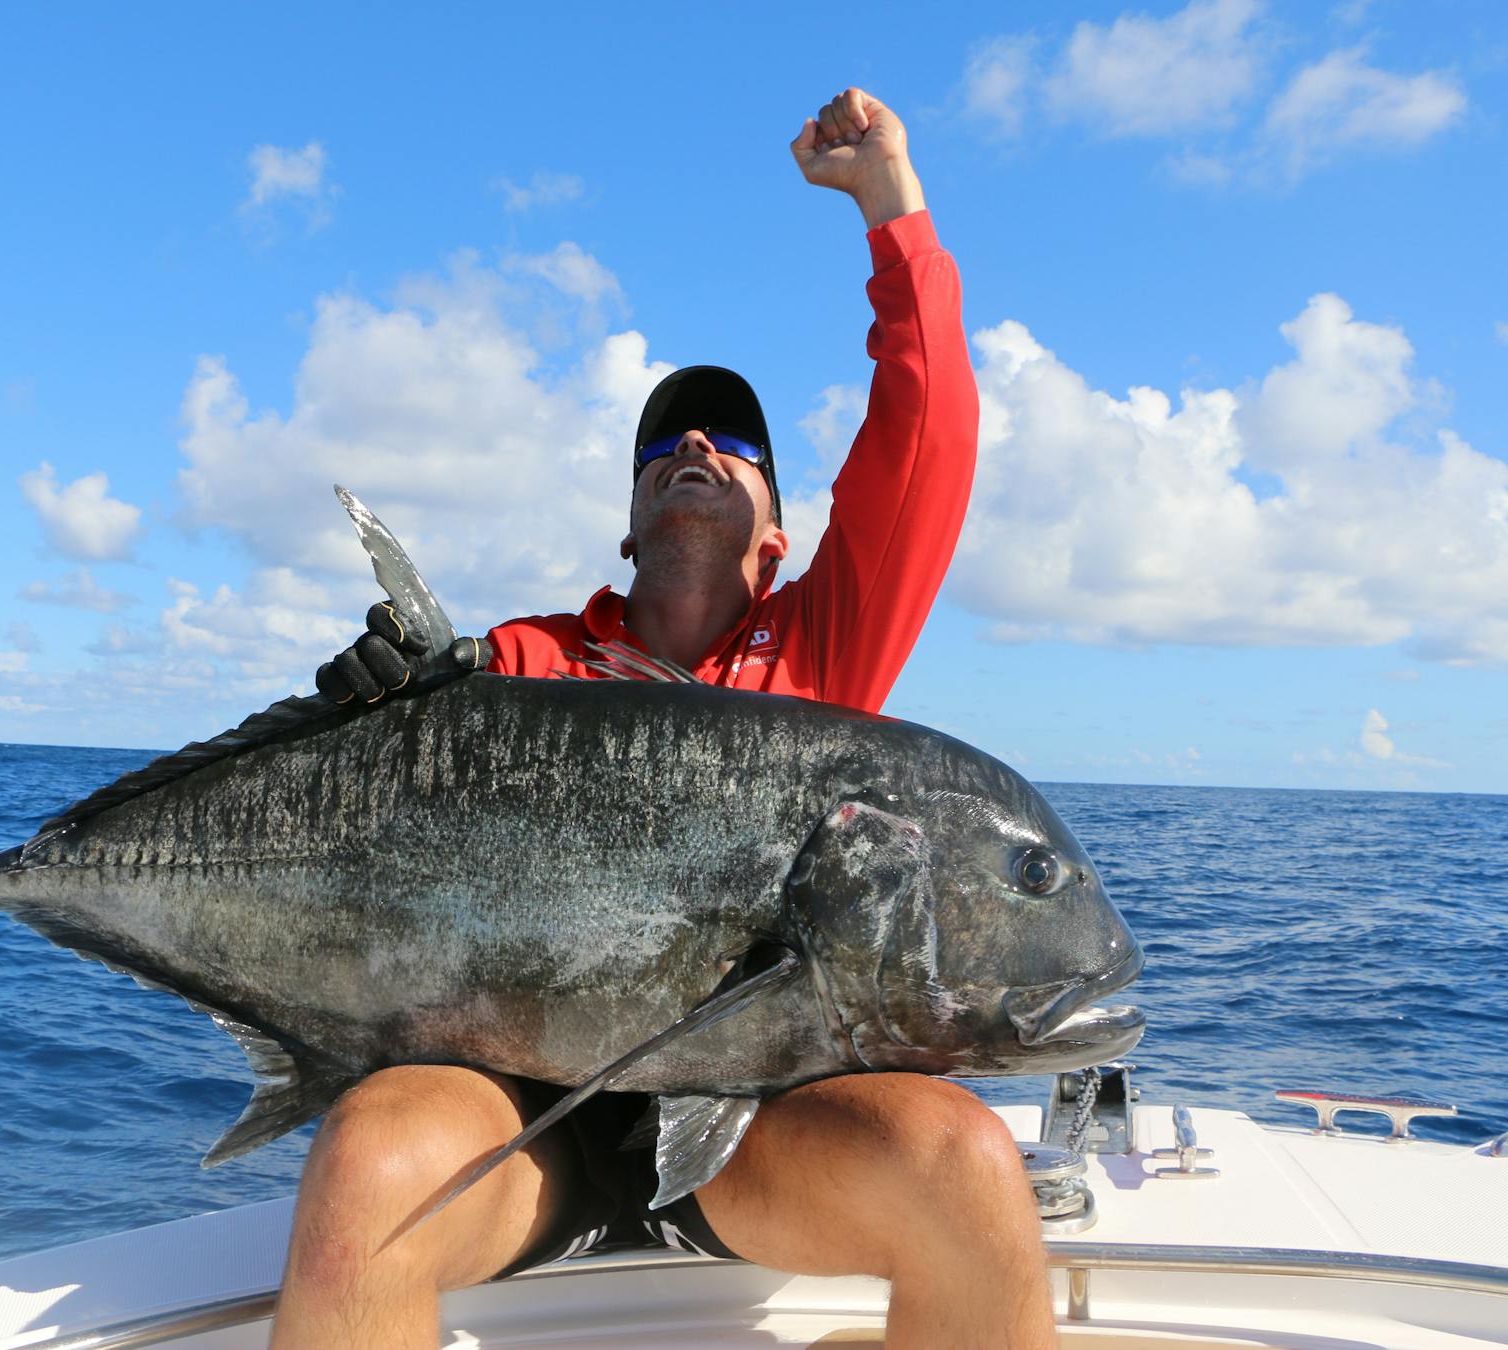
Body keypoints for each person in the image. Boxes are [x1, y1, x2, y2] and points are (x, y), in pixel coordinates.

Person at [277, 89, 1057, 1349]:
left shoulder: (823, 652)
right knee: (364, 1170)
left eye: (736, 441)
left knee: (967, 1169)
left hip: (755, 1133)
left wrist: (891, 207)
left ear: (779, 534)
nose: (696, 439)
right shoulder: (522, 668)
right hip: (522, 1114)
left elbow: (928, 439)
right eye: (665, 443)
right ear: (631, 526)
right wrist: (362, 726)